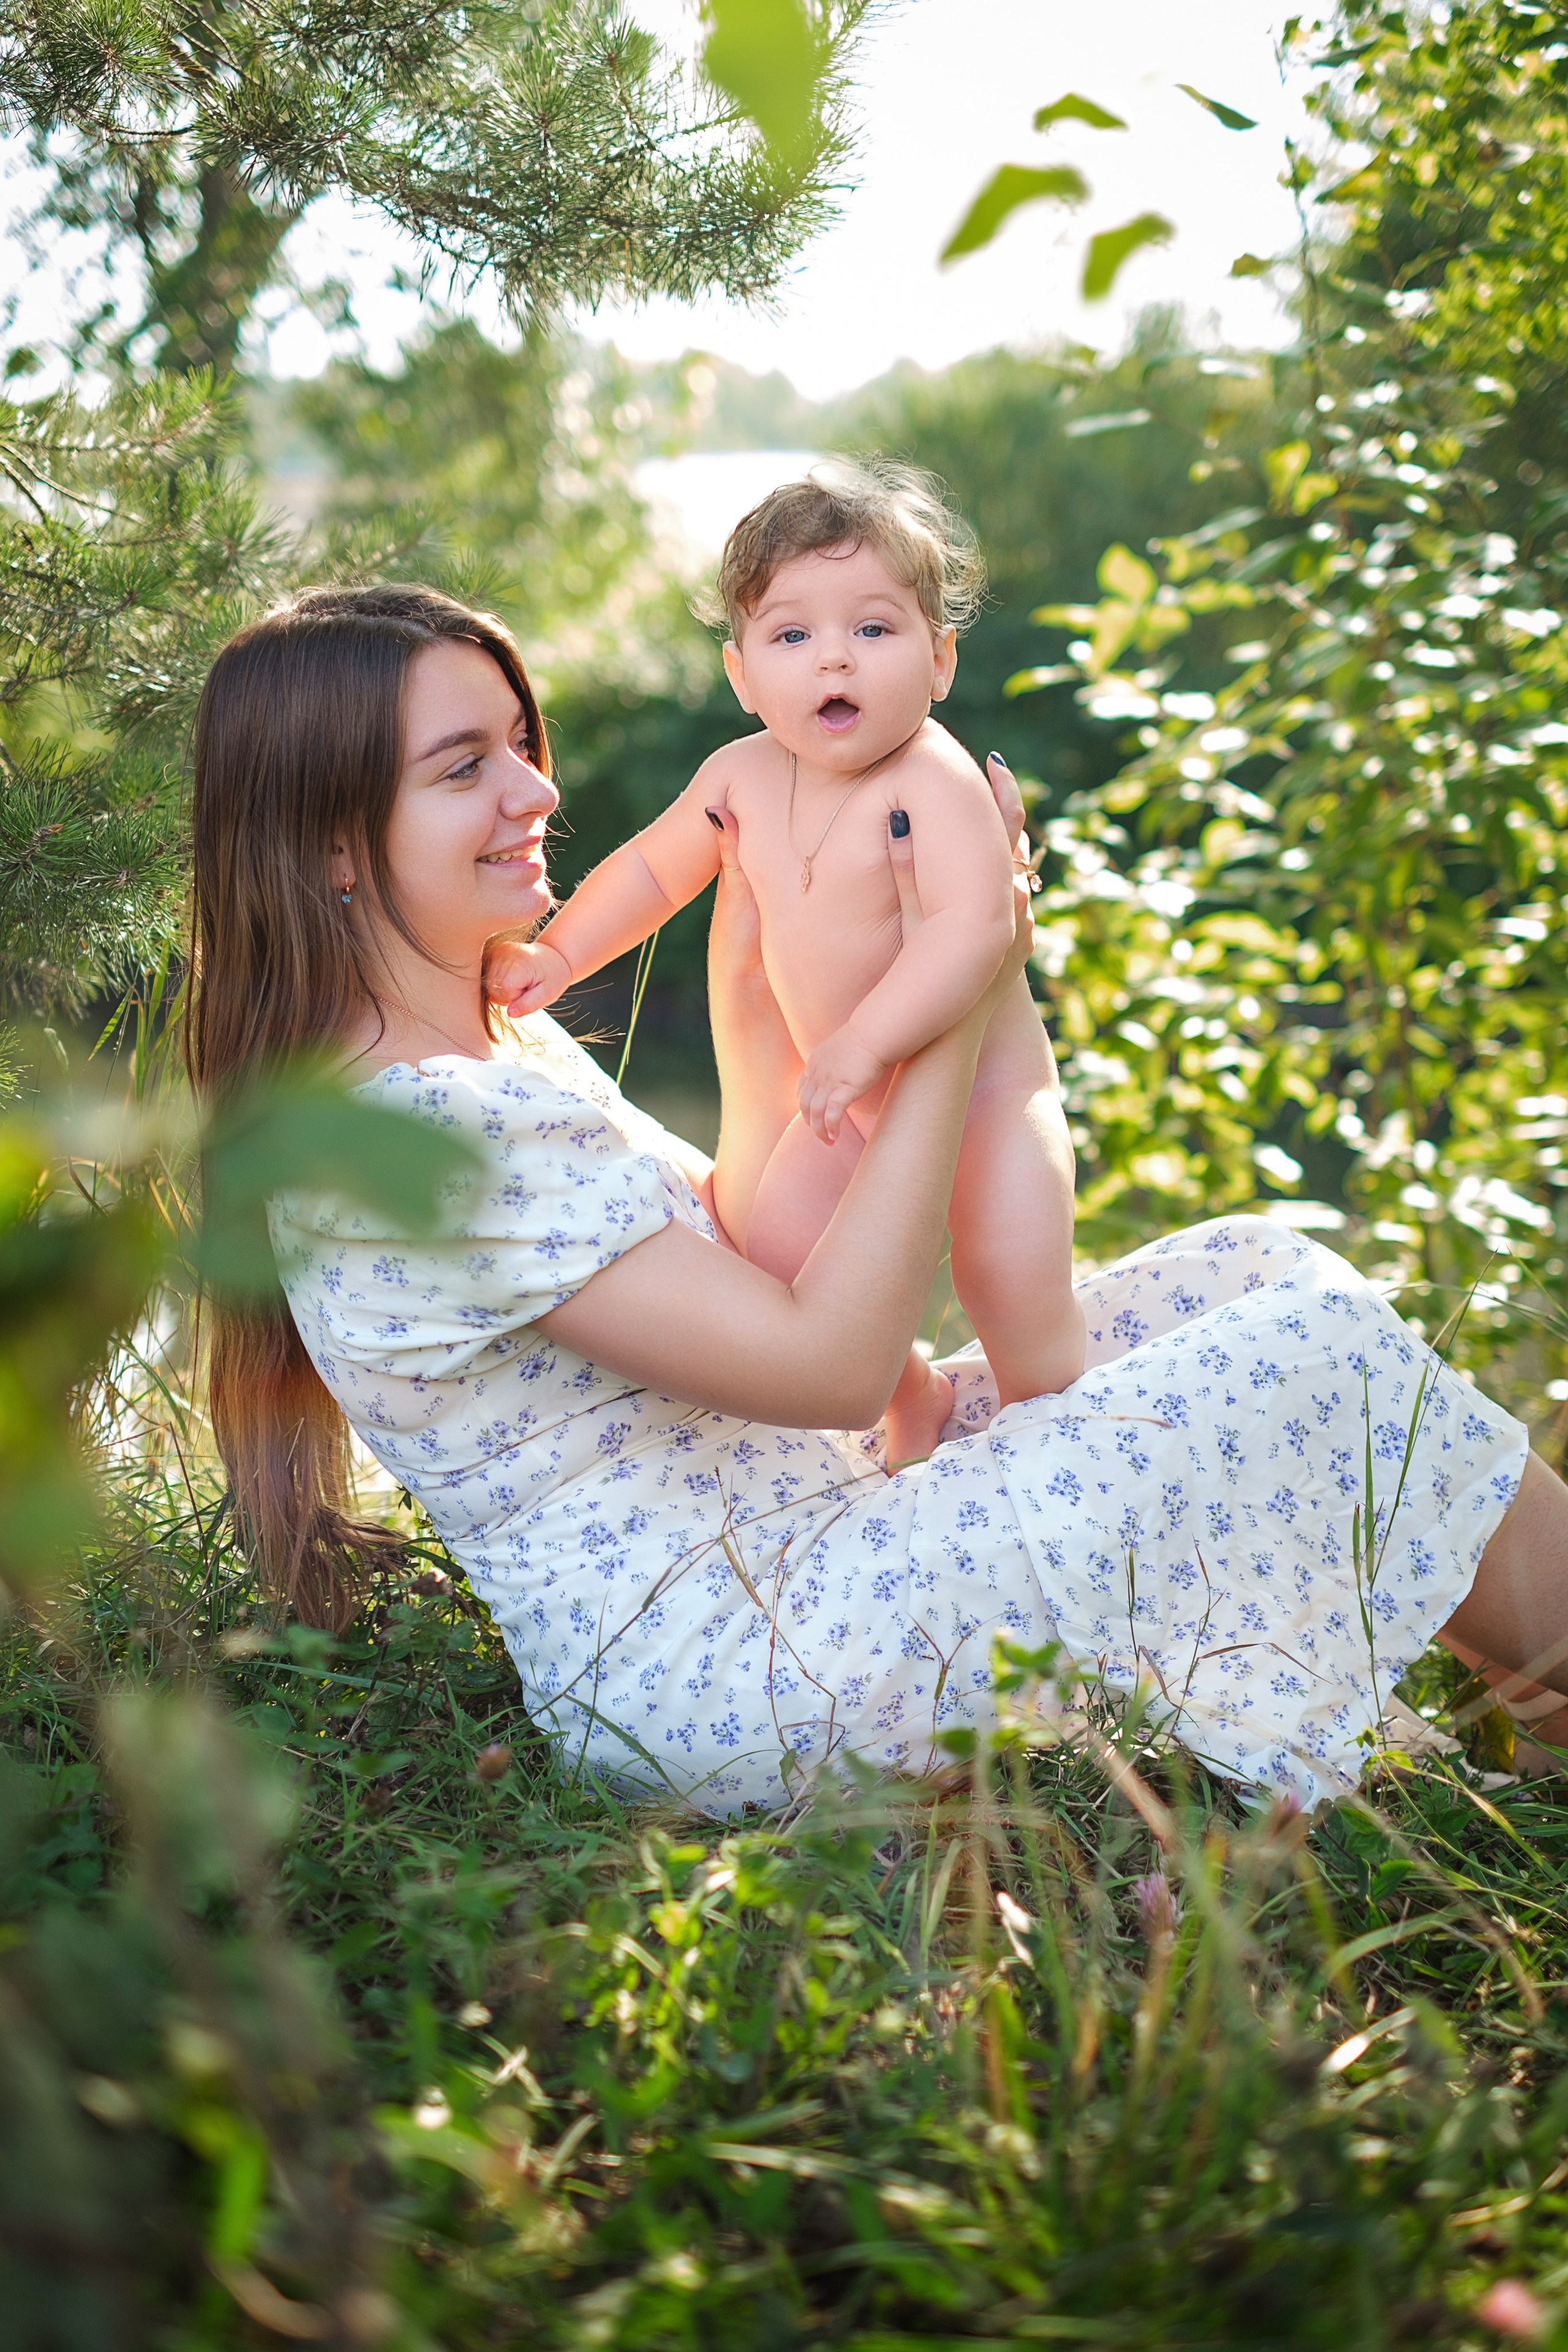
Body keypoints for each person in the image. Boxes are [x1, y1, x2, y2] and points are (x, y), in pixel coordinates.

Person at [189, 582, 1568, 1816]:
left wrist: (782, 968)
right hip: (752, 1669)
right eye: (460, 768)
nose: (534, 793)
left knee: (1252, 1274)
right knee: (1311, 1360)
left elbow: (746, 1239)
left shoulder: (494, 1045)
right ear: (331, 849)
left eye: (517, 743)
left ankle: (1523, 1723)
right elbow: (836, 1365)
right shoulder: (420, 1127)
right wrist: (952, 998)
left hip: (819, 1548)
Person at [485, 463, 1083, 1468]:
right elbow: (650, 870)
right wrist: (560, 952)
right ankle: (916, 1397)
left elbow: (976, 929)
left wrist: (861, 1044)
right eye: (793, 635)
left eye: (874, 630)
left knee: (1010, 1279)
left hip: (981, 1098)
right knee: (780, 1252)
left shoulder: (933, 779)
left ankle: (1059, 1438)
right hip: (843, 1103)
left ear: (940, 661)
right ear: (742, 673)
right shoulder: (740, 776)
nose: (833, 662)